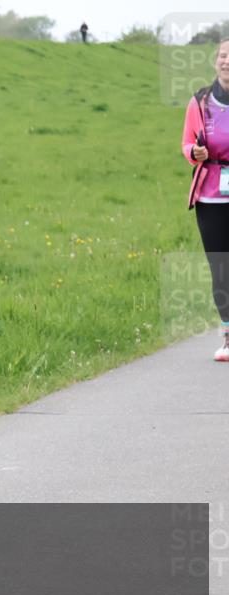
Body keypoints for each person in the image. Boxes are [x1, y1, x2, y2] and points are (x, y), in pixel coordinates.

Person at [183, 37, 229, 362]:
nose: (228, 62)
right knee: (221, 268)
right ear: (216, 61)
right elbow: (187, 144)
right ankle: (228, 337)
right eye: (224, 56)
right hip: (211, 197)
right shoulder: (200, 101)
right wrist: (195, 152)